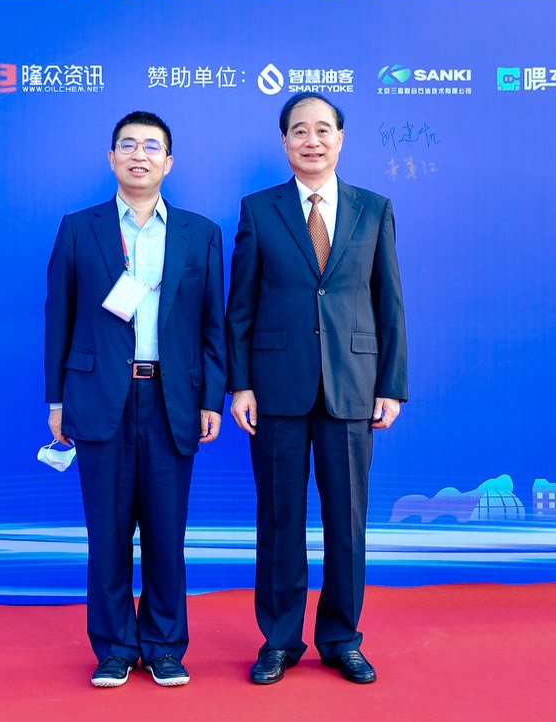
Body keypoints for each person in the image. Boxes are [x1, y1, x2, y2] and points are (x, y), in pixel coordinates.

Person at [226, 92, 407, 686]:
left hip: (352, 386)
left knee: (347, 524)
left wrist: (391, 386)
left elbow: (389, 303)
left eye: (323, 129)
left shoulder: (373, 209)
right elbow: (241, 307)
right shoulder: (260, 209)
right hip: (276, 389)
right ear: (284, 141)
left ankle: (341, 638)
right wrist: (240, 384)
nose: (312, 140)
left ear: (341, 138)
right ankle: (279, 640)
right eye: (299, 131)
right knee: (280, 521)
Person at [44, 111, 227, 689]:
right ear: (111, 158)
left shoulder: (200, 233)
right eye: (127, 145)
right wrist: (56, 401)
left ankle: (166, 645)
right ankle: (115, 647)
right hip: (99, 397)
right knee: (108, 532)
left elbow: (212, 325)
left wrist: (212, 400)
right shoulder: (80, 228)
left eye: (151, 146)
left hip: (172, 397)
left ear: (168, 162)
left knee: (167, 533)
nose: (139, 155)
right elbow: (58, 317)